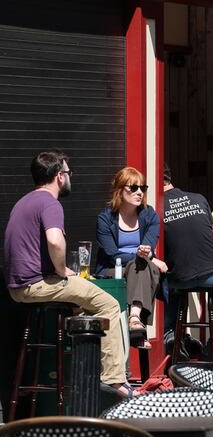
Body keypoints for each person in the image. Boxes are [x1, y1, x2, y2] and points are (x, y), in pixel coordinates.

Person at [5, 151, 130, 396]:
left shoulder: (23, 202)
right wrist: (63, 271)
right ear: (59, 177)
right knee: (110, 305)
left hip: (16, 288)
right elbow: (54, 241)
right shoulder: (50, 202)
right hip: (37, 285)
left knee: (82, 307)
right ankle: (114, 382)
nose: (70, 177)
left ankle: (82, 375)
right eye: (69, 173)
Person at [162, 165, 213, 363]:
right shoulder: (199, 198)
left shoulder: (153, 206)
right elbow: (210, 231)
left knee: (169, 287)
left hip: (178, 277)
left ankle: (172, 336)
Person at [95, 167, 166, 347]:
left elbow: (148, 247)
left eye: (143, 188)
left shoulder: (150, 216)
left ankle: (134, 317)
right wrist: (149, 258)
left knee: (140, 266)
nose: (139, 192)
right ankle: (137, 331)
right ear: (120, 190)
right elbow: (111, 254)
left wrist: (146, 256)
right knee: (143, 265)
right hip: (112, 269)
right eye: (133, 188)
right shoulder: (105, 218)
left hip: (140, 267)